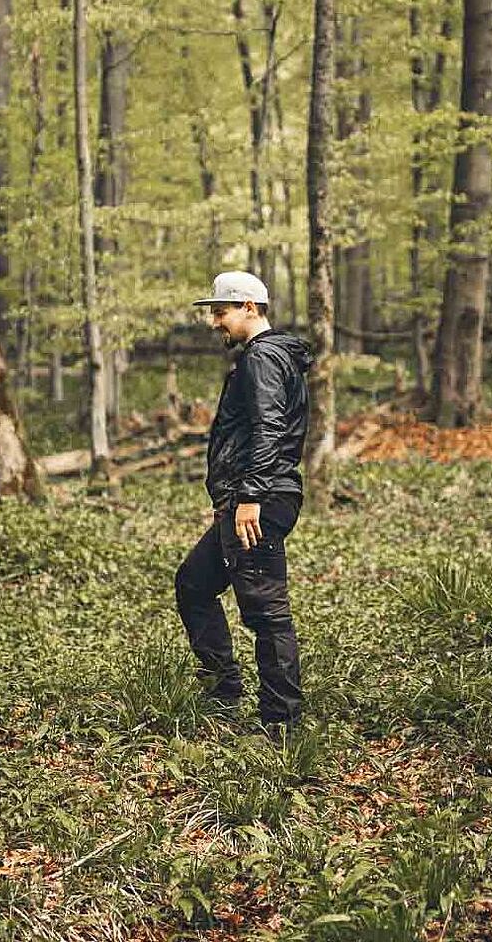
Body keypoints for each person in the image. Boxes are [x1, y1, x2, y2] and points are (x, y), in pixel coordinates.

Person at [175, 270, 313, 734]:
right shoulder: (269, 357)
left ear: (249, 308)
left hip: (258, 498)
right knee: (194, 583)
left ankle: (282, 725)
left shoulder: (263, 359)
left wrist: (250, 495)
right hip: (252, 497)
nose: (215, 322)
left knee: (265, 611)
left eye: (221, 311)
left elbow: (268, 427)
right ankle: (222, 692)